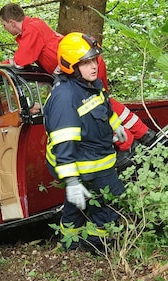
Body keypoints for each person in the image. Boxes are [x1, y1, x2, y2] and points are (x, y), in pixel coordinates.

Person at [0, 2, 155, 166]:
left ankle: (129, 145)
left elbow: (20, 61)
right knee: (102, 101)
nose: (5, 29)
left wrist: (5, 63)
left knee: (95, 105)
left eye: (4, 25)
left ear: (12, 22)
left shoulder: (31, 30)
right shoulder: (35, 25)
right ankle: (142, 133)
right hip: (83, 64)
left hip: (81, 66)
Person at [44, 32, 127, 251]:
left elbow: (103, 107)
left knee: (78, 203)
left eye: (94, 60)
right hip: (83, 163)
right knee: (110, 202)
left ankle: (68, 243)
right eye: (86, 62)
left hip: (93, 156)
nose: (94, 66)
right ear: (71, 66)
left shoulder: (90, 83)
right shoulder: (65, 97)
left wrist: (115, 124)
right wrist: (71, 181)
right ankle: (96, 246)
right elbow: (64, 145)